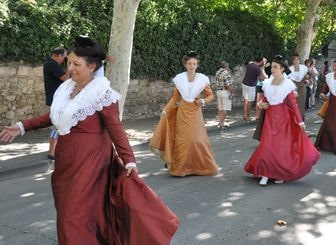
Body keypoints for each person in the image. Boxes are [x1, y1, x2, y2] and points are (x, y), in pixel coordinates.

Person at [0, 37, 179, 244]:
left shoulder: (101, 93)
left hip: (91, 162)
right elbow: (53, 116)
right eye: (69, 63)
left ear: (92, 67)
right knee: (73, 214)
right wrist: (22, 127)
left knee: (72, 216)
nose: (70, 68)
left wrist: (129, 159)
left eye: (76, 64)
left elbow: (115, 128)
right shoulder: (67, 88)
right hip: (66, 161)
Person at [244, 55, 320, 186]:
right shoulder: (267, 83)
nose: (272, 69)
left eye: (275, 67)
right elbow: (265, 100)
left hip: (283, 120)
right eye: (272, 67)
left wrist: (300, 122)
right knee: (267, 145)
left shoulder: (288, 84)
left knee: (280, 148)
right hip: (269, 118)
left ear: (282, 69)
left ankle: (280, 173)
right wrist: (260, 104)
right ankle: (265, 173)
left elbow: (294, 104)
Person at [150, 51, 219, 176]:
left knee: (198, 140)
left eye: (194, 63)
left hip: (196, 111)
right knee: (183, 141)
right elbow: (175, 98)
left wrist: (202, 101)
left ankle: (201, 167)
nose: (192, 66)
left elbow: (210, 96)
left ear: (197, 65)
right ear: (185, 65)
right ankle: (181, 168)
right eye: (189, 63)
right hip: (182, 112)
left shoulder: (202, 79)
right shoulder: (180, 79)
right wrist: (166, 110)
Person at [43, 47, 70, 160]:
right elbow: (66, 78)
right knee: (56, 126)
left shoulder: (50, 64)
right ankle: (52, 152)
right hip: (56, 101)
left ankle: (54, 151)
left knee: (59, 125)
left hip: (55, 100)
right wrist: (69, 67)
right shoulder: (52, 65)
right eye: (64, 57)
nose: (64, 59)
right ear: (57, 56)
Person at [288, 54, 309, 120]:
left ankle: (301, 119)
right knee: (294, 103)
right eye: (295, 60)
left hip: (302, 86)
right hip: (293, 87)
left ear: (299, 60)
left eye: (297, 59)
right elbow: (287, 78)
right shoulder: (289, 69)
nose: (296, 61)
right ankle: (294, 119)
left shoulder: (304, 67)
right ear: (293, 61)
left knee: (301, 103)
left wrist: (307, 79)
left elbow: (309, 75)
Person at [215, 60, 233, 128]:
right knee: (225, 108)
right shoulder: (226, 73)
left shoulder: (218, 72)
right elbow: (228, 85)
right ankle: (222, 123)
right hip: (225, 92)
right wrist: (232, 92)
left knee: (220, 108)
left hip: (218, 91)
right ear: (227, 66)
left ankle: (220, 121)